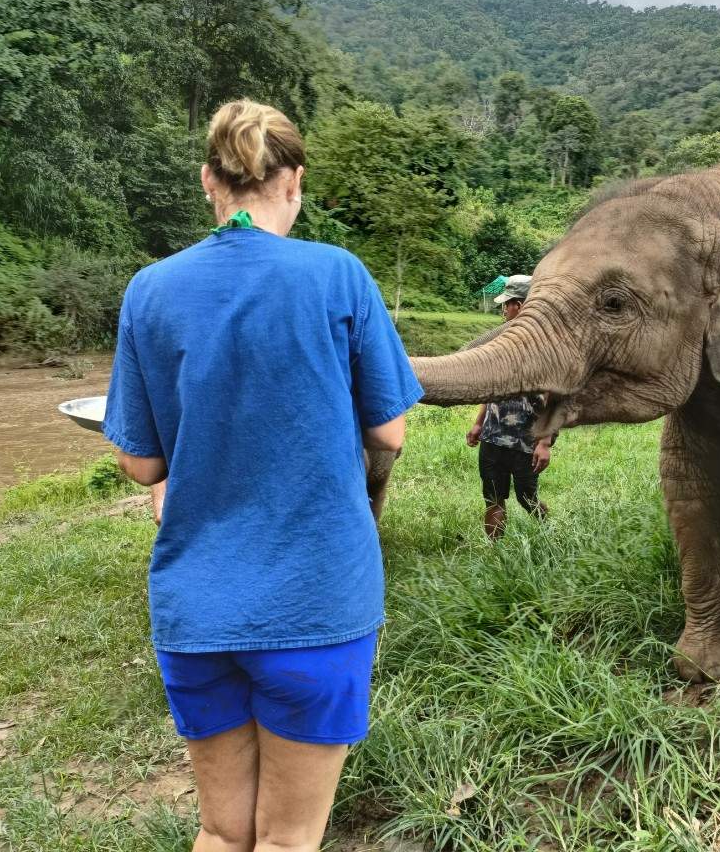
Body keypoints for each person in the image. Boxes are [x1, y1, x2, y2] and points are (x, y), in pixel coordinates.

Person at [102, 99, 422, 849]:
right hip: (317, 600)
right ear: (295, 182)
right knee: (287, 840)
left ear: (210, 182)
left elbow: (141, 460)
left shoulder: (150, 289)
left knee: (220, 834)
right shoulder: (339, 276)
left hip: (196, 607)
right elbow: (391, 432)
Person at [465, 275, 553, 539]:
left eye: (508, 304)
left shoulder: (547, 348)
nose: (504, 309)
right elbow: (493, 387)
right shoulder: (500, 342)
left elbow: (555, 398)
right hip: (493, 437)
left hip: (527, 442)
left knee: (527, 499)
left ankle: (550, 535)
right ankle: (496, 555)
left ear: (523, 305)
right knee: (493, 498)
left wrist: (545, 442)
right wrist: (479, 422)